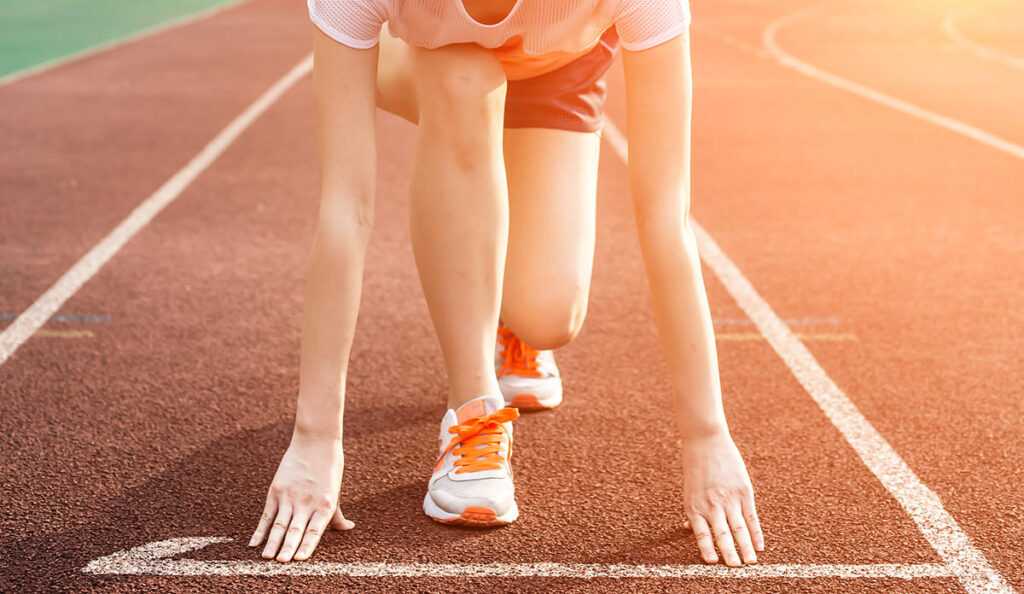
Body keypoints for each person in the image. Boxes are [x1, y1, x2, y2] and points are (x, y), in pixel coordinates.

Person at [248, 0, 765, 568]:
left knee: (547, 317)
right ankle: (472, 408)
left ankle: (508, 321)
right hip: (434, 62)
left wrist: (707, 436)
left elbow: (666, 217)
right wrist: (316, 438)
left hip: (557, 71)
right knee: (465, 81)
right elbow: (346, 211)